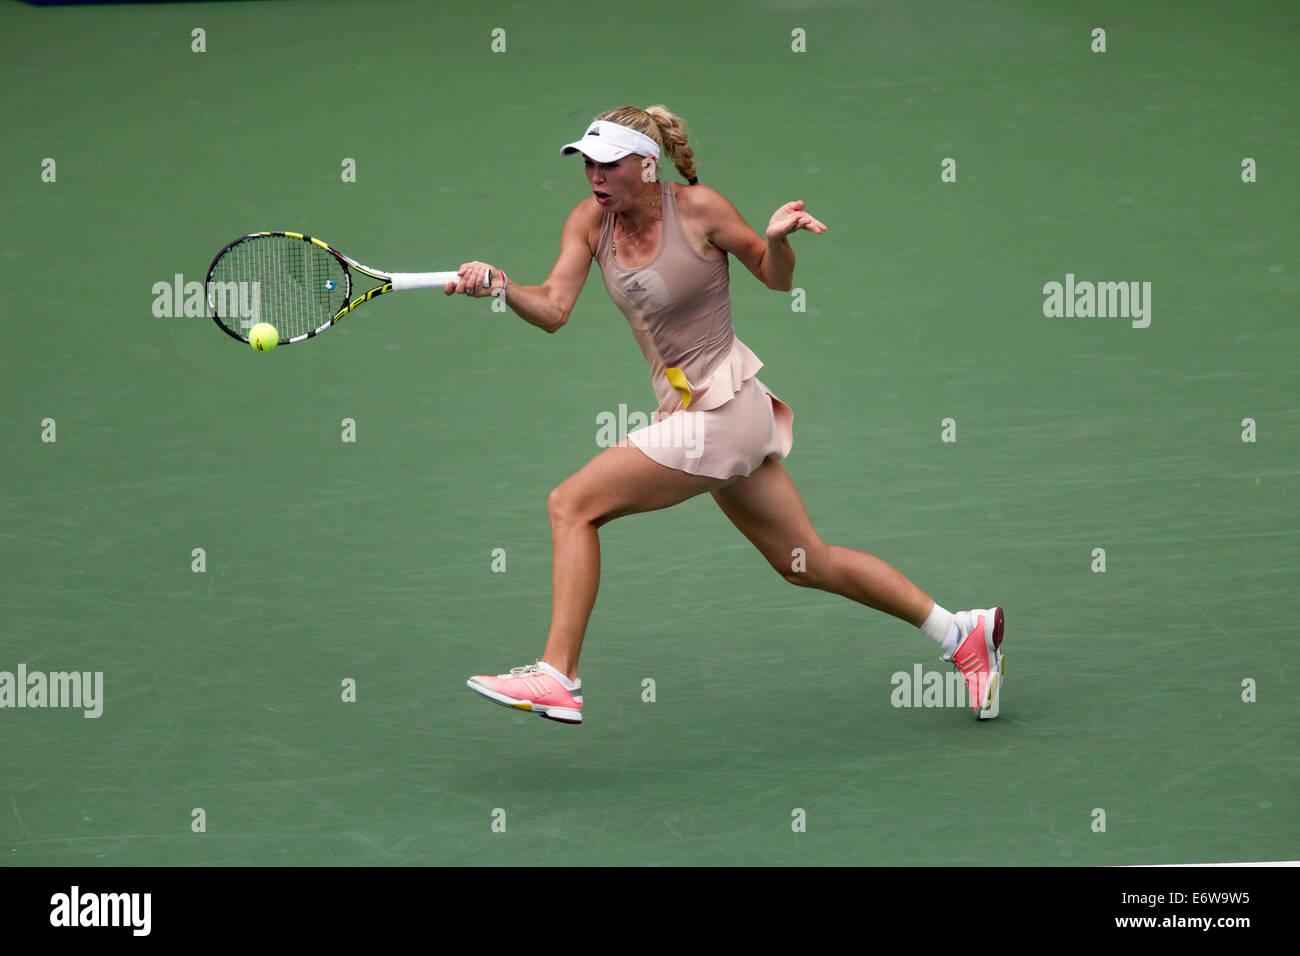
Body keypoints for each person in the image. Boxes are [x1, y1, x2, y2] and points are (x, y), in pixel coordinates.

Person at [449, 105, 1004, 724]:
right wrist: (501, 286)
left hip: (728, 411)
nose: (595, 177)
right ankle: (962, 633)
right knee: (805, 562)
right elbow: (552, 307)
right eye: (587, 163)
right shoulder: (588, 222)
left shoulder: (701, 210)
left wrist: (775, 241)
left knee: (571, 504)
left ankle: (558, 675)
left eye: (609, 164)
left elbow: (776, 279)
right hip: (694, 415)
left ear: (646, 163)